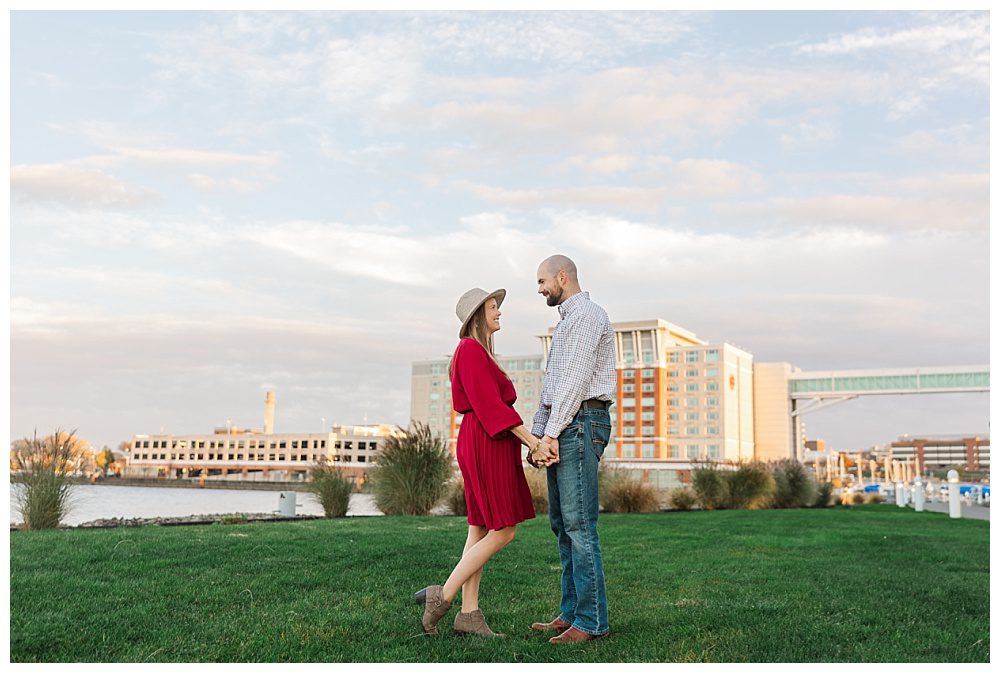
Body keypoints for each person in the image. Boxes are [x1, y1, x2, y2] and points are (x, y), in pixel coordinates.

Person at [414, 287, 557, 637]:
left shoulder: (479, 352)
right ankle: (442, 595)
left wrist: (526, 440)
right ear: (478, 315)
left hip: (487, 440)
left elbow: (494, 407)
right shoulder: (469, 350)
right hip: (486, 442)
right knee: (504, 529)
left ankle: (469, 614)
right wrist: (533, 442)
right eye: (493, 308)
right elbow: (492, 407)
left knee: (479, 528)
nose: (499, 312)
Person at [528, 254, 616, 644]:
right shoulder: (564, 326)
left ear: (563, 277)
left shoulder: (587, 317)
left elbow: (576, 384)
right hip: (565, 424)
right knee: (562, 525)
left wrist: (551, 435)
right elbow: (551, 389)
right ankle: (570, 613)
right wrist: (536, 437)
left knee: (580, 526)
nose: (541, 289)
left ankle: (592, 621)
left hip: (581, 422)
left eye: (544, 281)